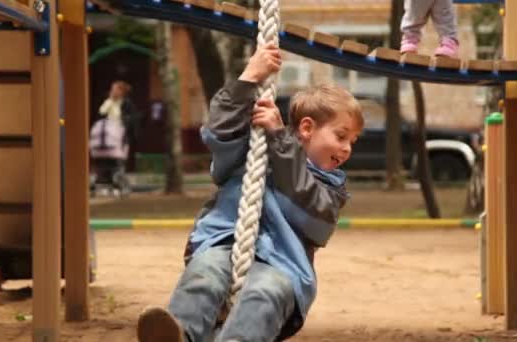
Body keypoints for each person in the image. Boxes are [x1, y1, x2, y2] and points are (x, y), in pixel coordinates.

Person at [136, 42, 364, 342]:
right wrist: (249, 77)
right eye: (341, 136)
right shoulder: (254, 149)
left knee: (263, 294)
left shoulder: (330, 186)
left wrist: (281, 142)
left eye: (353, 142)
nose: (347, 148)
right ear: (307, 128)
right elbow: (219, 133)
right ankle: (182, 336)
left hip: (283, 266)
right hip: (222, 242)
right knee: (203, 276)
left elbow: (315, 219)